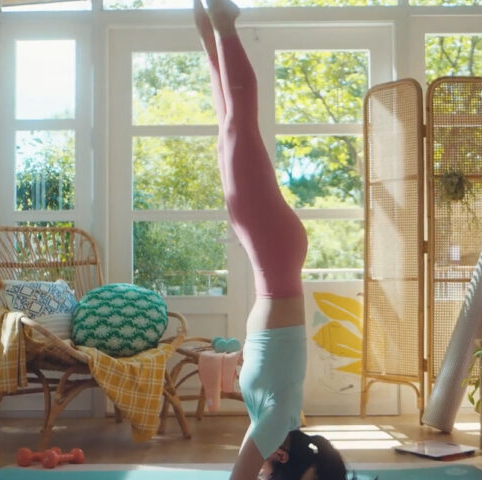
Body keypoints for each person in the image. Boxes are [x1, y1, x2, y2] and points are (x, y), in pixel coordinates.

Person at [192, 0, 354, 479]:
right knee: (239, 122)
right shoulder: (278, 425)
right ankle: (224, 25)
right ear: (285, 459)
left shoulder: (272, 424)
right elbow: (240, 477)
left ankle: (209, 31)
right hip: (275, 258)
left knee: (229, 125)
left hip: (272, 256)